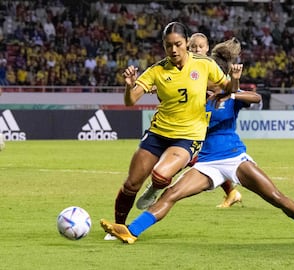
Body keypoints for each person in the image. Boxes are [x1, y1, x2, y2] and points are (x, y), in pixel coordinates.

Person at [100, 37, 294, 244]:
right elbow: (169, 89)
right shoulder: (193, 100)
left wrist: (230, 91)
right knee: (171, 194)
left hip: (235, 158)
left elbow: (256, 97)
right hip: (206, 164)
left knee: (276, 197)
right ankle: (131, 231)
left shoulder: (229, 96)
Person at [102, 22, 243, 239]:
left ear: (186, 43)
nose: (174, 50)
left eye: (178, 44)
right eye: (169, 46)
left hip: (189, 136)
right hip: (158, 133)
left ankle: (157, 186)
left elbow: (229, 89)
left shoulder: (205, 64)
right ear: (164, 46)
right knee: (131, 183)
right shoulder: (157, 70)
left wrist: (233, 80)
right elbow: (131, 101)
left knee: (160, 175)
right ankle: (118, 227)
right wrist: (129, 86)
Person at [188, 32, 242, 208]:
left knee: (193, 156)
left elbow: (222, 88)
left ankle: (160, 185)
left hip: (207, 119)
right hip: (199, 119)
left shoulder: (209, 67)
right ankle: (231, 192)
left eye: (200, 47)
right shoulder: (194, 64)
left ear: (207, 48)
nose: (196, 50)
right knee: (195, 156)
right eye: (193, 47)